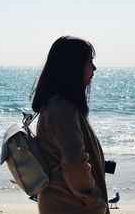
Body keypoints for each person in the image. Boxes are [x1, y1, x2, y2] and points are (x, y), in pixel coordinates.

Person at [31, 36, 109, 214]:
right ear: (73, 66)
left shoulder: (59, 105)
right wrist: (93, 197)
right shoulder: (61, 107)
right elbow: (75, 162)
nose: (94, 68)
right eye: (89, 61)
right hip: (70, 206)